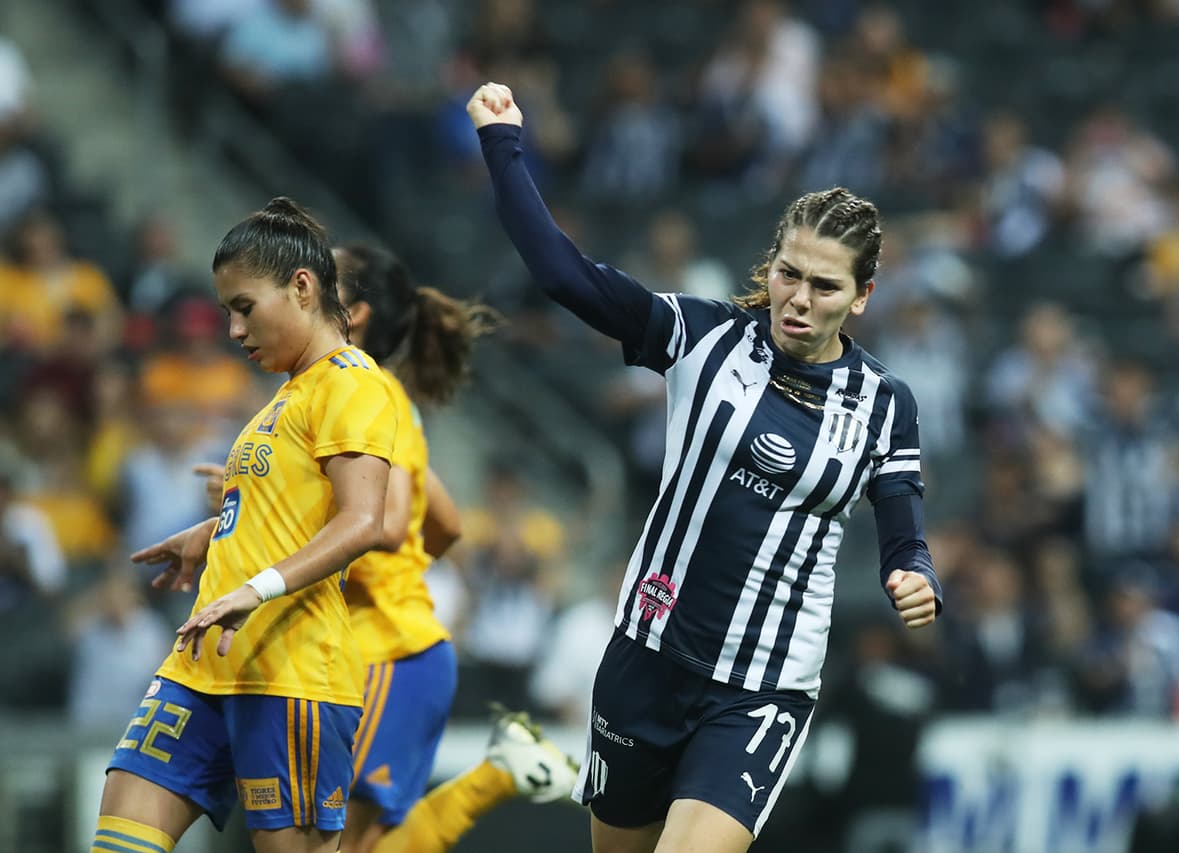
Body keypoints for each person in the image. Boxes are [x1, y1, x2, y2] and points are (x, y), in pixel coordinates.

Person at [468, 82, 943, 853]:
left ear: (861, 297)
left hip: (762, 686)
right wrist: (503, 143)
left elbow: (904, 532)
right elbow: (563, 276)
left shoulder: (886, 404)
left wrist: (913, 573)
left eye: (825, 285)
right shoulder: (703, 337)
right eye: (789, 273)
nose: (799, 298)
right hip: (646, 660)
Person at [93, 197, 399, 853]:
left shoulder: (352, 384)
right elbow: (291, 514)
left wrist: (254, 588)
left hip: (290, 672)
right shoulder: (283, 397)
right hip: (202, 663)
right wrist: (213, 534)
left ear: (302, 287)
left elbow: (363, 521)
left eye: (244, 307)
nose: (234, 330)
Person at [319, 243, 580, 853]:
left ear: (355, 312)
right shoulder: (372, 397)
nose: (299, 284)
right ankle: (496, 775)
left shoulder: (363, 396)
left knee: (341, 846)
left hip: (387, 648)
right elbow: (446, 524)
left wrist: (279, 544)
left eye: (322, 278)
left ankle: (492, 779)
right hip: (385, 645)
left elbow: (390, 523)